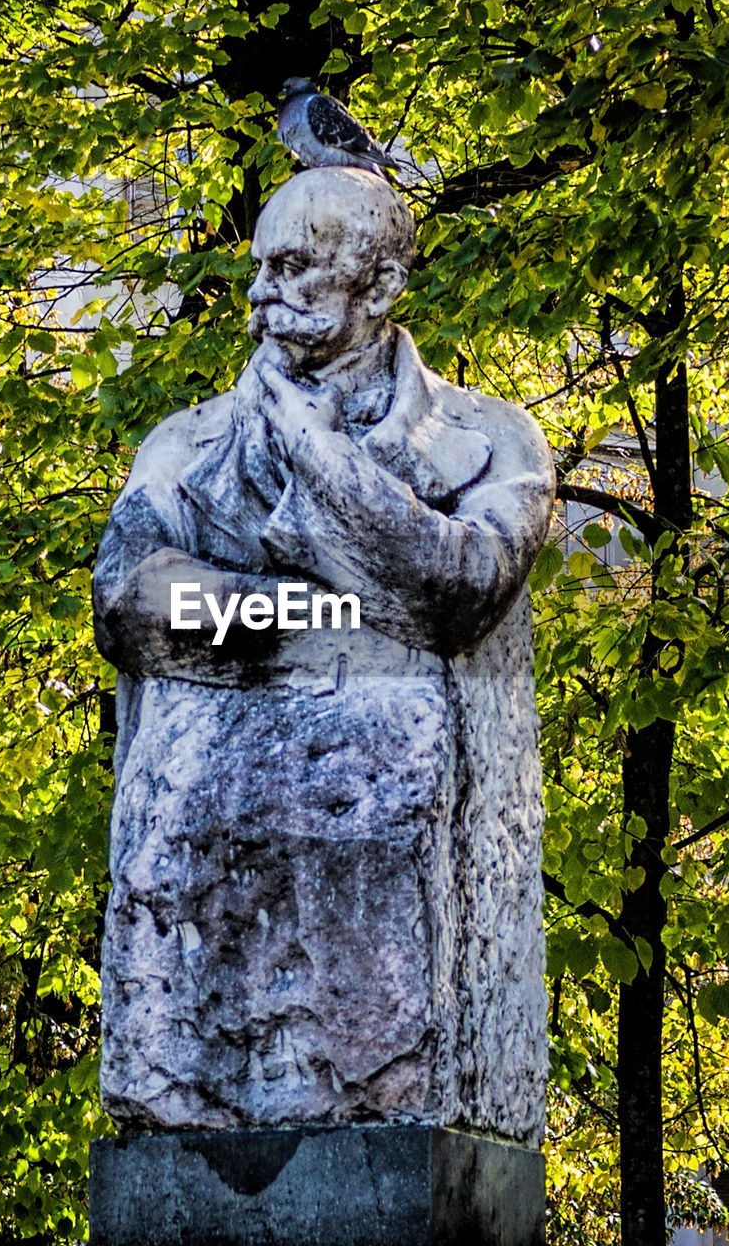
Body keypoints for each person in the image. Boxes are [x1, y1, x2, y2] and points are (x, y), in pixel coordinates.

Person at [92, 167, 555, 1142]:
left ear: (381, 285)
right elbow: (131, 600)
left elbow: (459, 586)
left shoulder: (487, 440)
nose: (262, 294)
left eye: (295, 268)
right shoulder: (188, 442)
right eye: (260, 267)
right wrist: (332, 623)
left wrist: (319, 462)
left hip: (400, 962)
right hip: (192, 936)